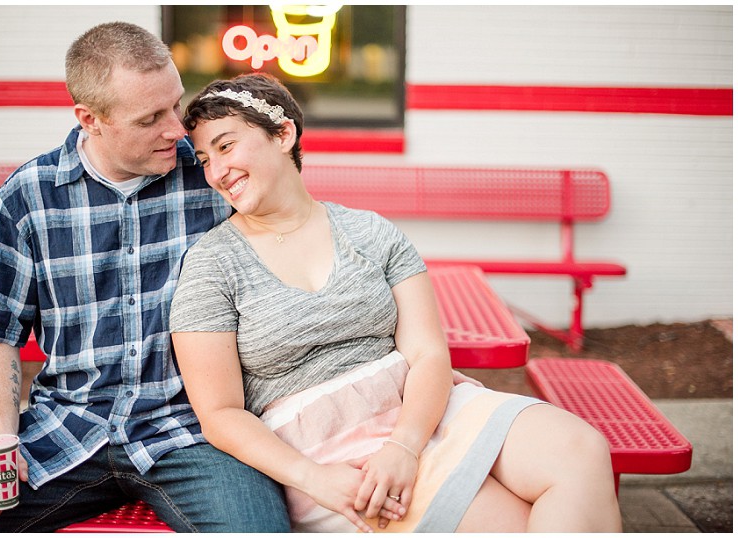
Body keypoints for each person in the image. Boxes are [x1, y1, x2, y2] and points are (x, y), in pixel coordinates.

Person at [169, 73, 623, 533]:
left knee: (583, 451)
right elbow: (221, 415)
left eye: (225, 147)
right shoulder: (211, 264)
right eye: (204, 159)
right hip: (329, 447)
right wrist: (314, 479)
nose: (216, 172)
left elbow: (427, 352)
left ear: (283, 134)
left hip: (423, 408)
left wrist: (405, 446)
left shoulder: (371, 231)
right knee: (512, 523)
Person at [0, 23, 290, 533]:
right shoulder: (28, 198)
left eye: (176, 104)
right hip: (64, 430)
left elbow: (290, 225)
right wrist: (1, 439)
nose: (176, 129)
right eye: (150, 118)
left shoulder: (213, 177)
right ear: (91, 119)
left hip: (192, 433)